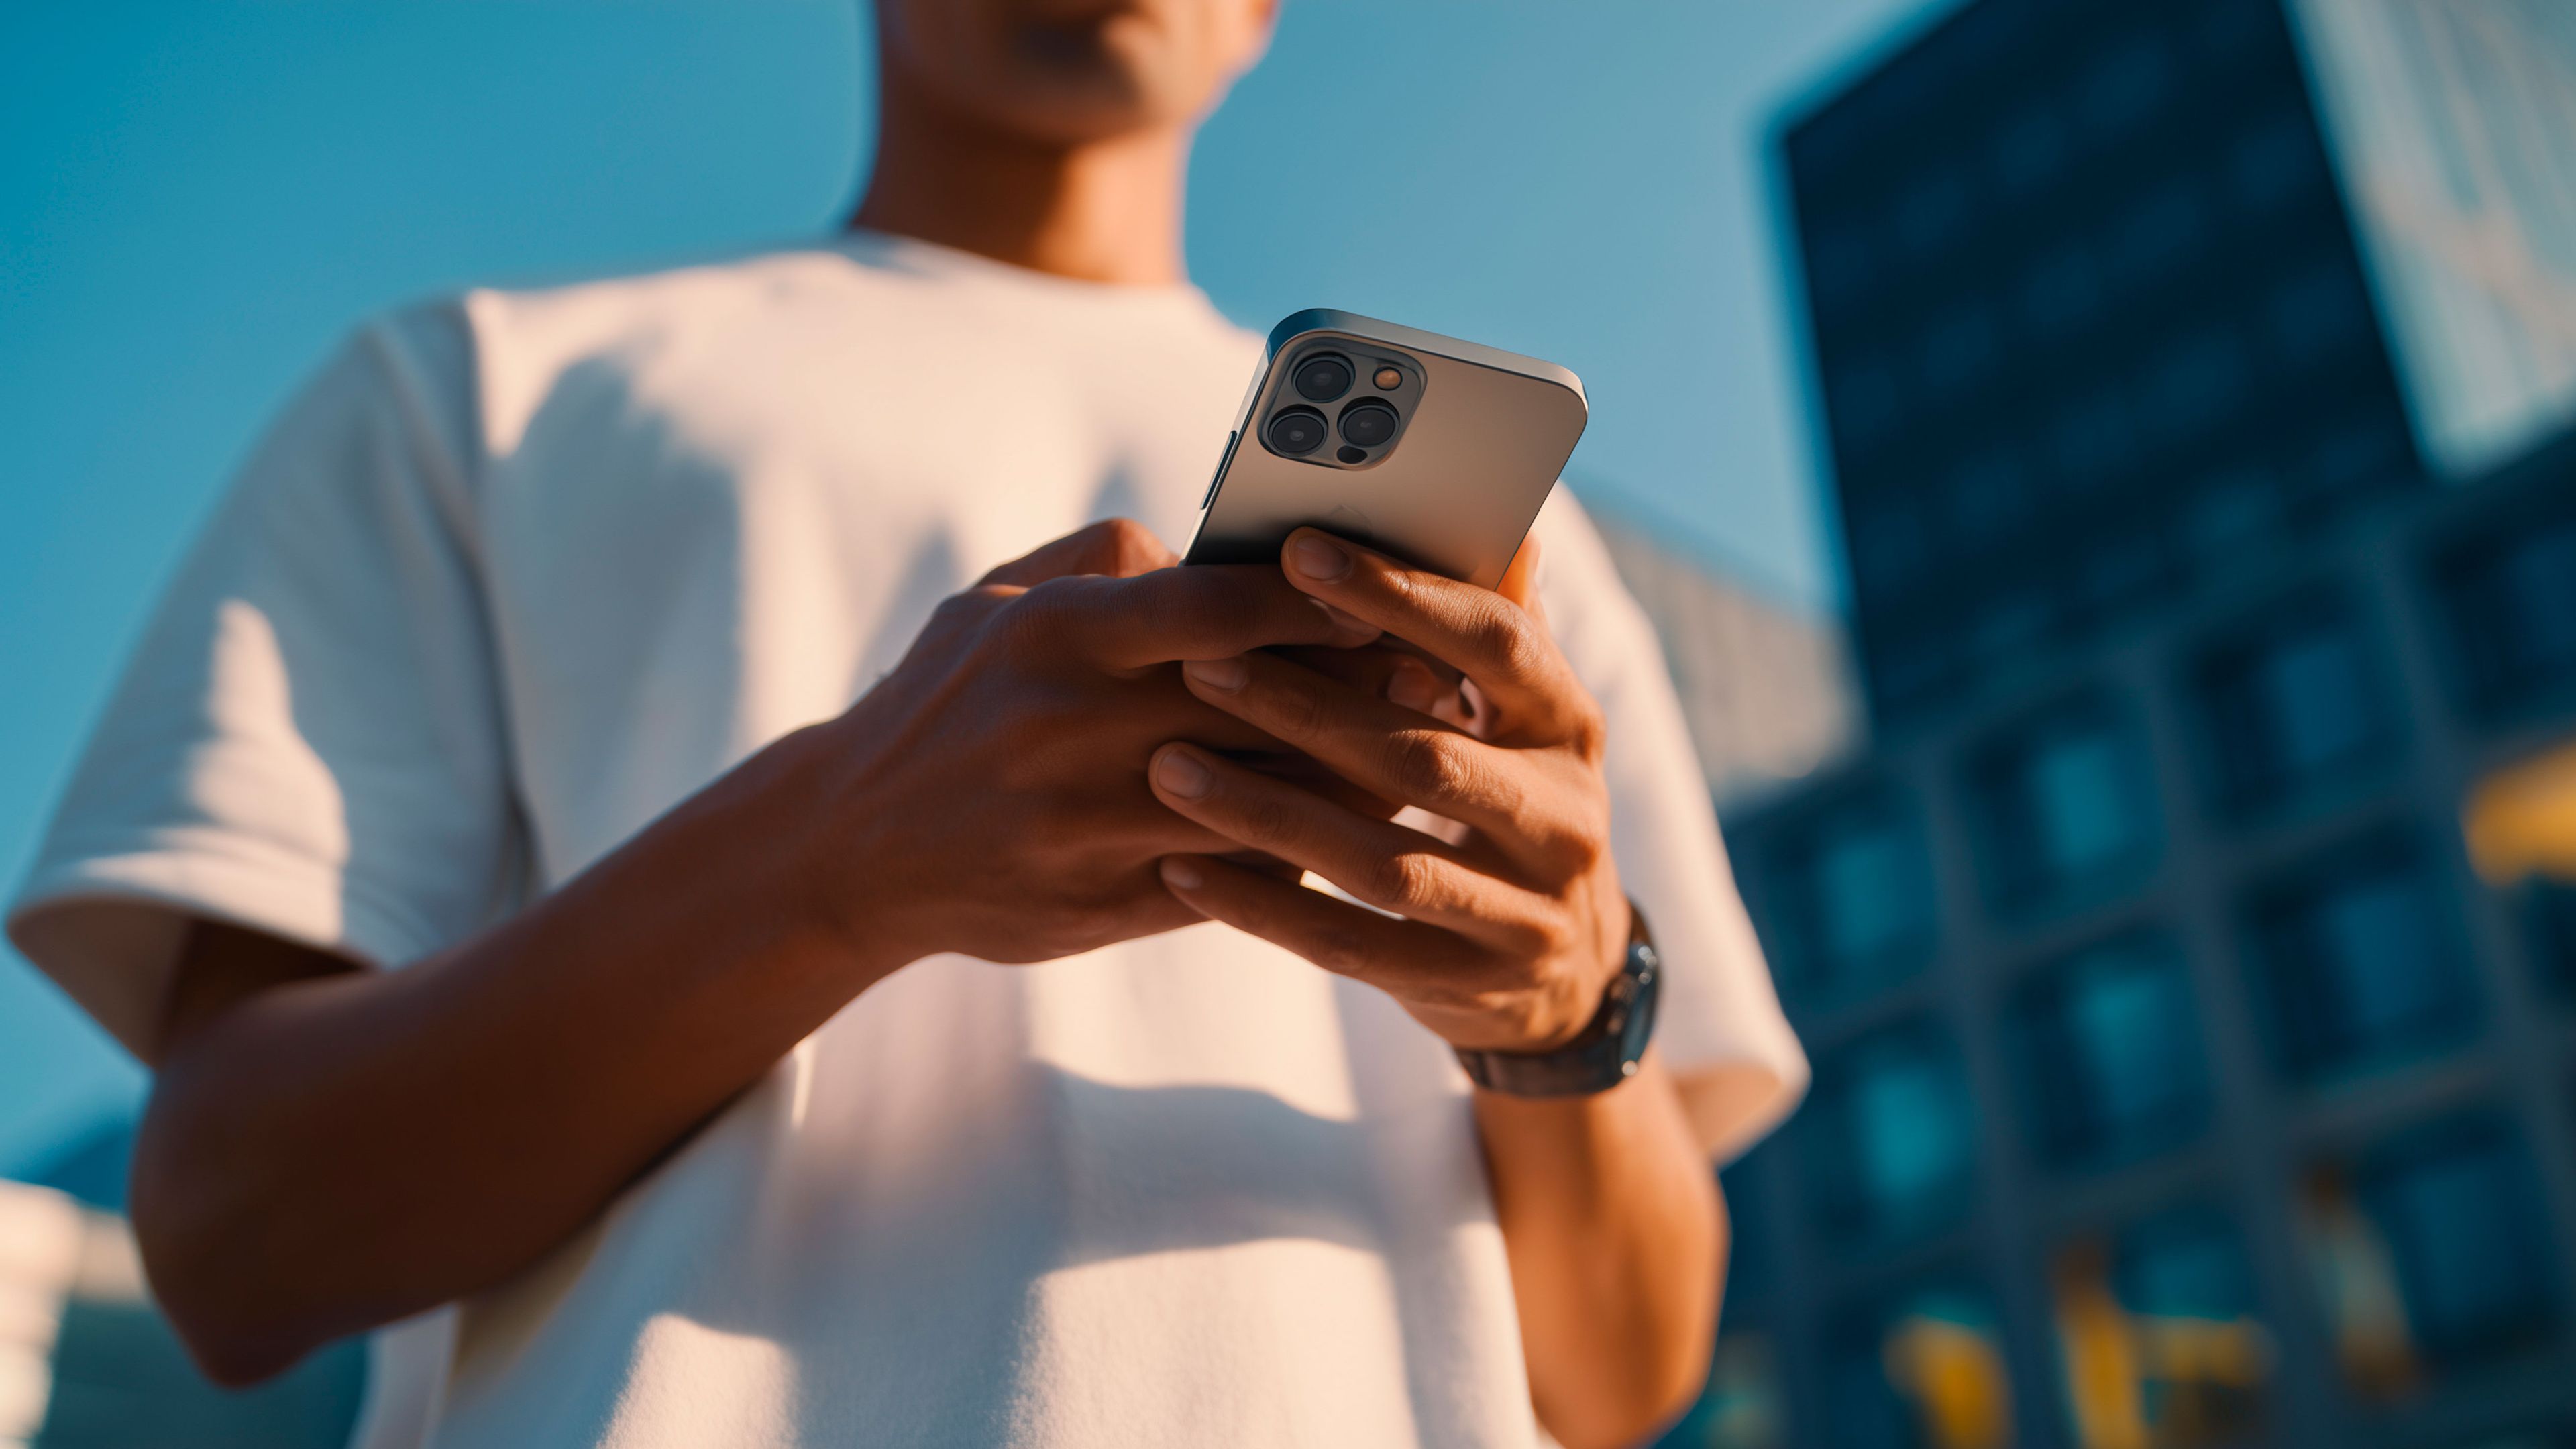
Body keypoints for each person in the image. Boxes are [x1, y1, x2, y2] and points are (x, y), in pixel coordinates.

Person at [6, 2, 1807, 1446]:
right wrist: (837, 861)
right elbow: (234, 1236)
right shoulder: (476, 391)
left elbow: (1620, 1381)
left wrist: (1572, 1015)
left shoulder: (1521, 555)